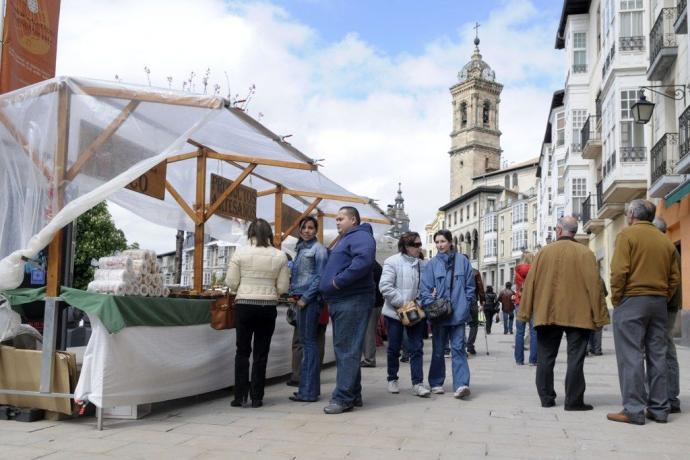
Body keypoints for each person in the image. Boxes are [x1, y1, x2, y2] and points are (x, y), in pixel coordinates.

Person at [518, 216, 609, 411]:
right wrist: (600, 316)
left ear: (559, 230)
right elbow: (595, 287)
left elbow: (530, 284)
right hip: (579, 314)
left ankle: (546, 398)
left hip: (547, 312)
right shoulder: (586, 254)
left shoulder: (543, 253)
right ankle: (573, 401)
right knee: (576, 357)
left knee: (545, 357)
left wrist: (524, 313)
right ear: (574, 232)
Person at [607, 200, 680, 425]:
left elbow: (619, 272)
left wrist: (617, 299)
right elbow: (674, 277)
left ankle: (633, 409)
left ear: (631, 215)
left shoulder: (627, 236)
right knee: (657, 355)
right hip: (658, 302)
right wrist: (662, 296)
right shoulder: (664, 240)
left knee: (631, 356)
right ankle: (659, 408)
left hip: (632, 300)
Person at [226, 218, 290, 408]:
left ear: (250, 233)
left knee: (242, 351)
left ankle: (239, 396)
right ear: (269, 234)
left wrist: (242, 288)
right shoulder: (280, 256)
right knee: (261, 353)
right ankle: (257, 397)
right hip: (267, 307)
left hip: (244, 305)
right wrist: (272, 291)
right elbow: (283, 287)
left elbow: (231, 282)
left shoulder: (240, 252)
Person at [319, 206, 376, 414]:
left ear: (353, 220)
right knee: (347, 348)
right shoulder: (348, 238)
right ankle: (353, 394)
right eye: (336, 218)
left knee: (347, 349)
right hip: (345, 299)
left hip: (351, 298)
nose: (337, 221)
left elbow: (363, 261)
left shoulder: (360, 236)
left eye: (340, 218)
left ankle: (343, 398)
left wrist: (337, 282)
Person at [420, 230, 475, 399]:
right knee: (438, 350)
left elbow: (470, 286)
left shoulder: (463, 261)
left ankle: (461, 384)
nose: (439, 245)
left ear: (450, 242)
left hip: (458, 313)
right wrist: (431, 300)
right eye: (437, 242)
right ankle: (436, 382)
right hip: (440, 315)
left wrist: (465, 304)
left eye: (442, 241)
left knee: (459, 348)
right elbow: (425, 290)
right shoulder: (431, 265)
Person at [379, 232, 431, 397]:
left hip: (415, 312)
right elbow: (385, 286)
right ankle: (392, 378)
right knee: (394, 348)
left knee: (417, 348)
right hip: (395, 313)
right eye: (415, 245)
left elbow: (427, 288)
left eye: (419, 244)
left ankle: (418, 383)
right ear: (406, 246)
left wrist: (419, 303)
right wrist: (403, 304)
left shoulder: (422, 265)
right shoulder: (392, 262)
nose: (419, 247)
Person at [288, 216, 328, 403]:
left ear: (315, 230)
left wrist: (305, 298)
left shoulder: (318, 250)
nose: (306, 231)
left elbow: (320, 277)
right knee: (306, 345)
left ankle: (309, 392)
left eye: (310, 228)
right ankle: (306, 389)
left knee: (309, 346)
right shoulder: (301, 248)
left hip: (310, 302)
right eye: (303, 227)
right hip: (301, 299)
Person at [653, 217, 682, 414]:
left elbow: (670, 280)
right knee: (666, 349)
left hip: (665, 305)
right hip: (668, 304)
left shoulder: (663, 248)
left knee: (664, 350)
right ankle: (670, 396)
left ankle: (669, 397)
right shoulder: (669, 246)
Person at [514, 251, 537, 366]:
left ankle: (519, 359)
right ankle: (533, 360)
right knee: (534, 332)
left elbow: (518, 286)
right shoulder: (536, 269)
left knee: (519, 332)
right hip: (533, 302)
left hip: (520, 302)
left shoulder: (517, 270)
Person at [361, 260, 384, 367]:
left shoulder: (371, 266)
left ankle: (369, 359)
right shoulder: (377, 266)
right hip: (377, 303)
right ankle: (369, 358)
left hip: (373, 304)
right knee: (370, 332)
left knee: (368, 332)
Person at [465, 267, 485, 355]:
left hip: (459, 300)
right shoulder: (475, 272)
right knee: (474, 324)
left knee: (459, 325)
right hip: (472, 300)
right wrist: (482, 301)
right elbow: (480, 287)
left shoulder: (455, 270)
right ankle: (470, 345)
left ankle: (462, 346)